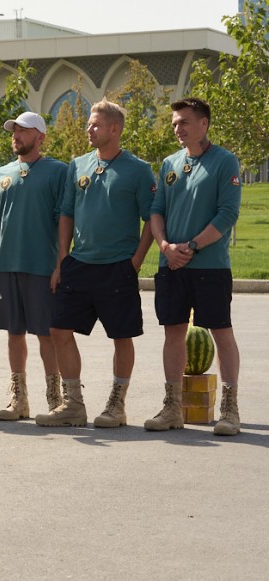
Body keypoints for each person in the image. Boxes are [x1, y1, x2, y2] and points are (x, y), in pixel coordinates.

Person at [38, 100, 156, 428]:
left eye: (95, 125)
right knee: (58, 329)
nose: (88, 130)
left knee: (121, 335)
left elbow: (151, 218)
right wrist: (63, 257)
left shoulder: (138, 169)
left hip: (118, 266)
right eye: (89, 124)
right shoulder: (77, 166)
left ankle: (117, 405)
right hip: (79, 264)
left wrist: (136, 261)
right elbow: (66, 213)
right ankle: (73, 404)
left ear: (114, 129)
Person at [145, 97, 242, 436]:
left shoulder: (225, 162)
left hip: (210, 266)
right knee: (173, 332)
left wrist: (193, 245)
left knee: (221, 331)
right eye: (175, 123)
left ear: (204, 124)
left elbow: (227, 214)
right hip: (171, 265)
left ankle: (230, 410)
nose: (178, 128)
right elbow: (156, 210)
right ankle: (173, 407)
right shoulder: (169, 163)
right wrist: (166, 246)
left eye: (184, 122)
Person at [0, 112, 66, 422]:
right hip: (7, 266)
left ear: (40, 136)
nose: (16, 135)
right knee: (13, 333)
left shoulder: (58, 172)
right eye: (14, 131)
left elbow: (64, 221)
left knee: (47, 334)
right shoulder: (3, 173)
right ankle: (20, 399)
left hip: (43, 266)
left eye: (23, 131)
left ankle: (55, 398)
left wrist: (60, 264)